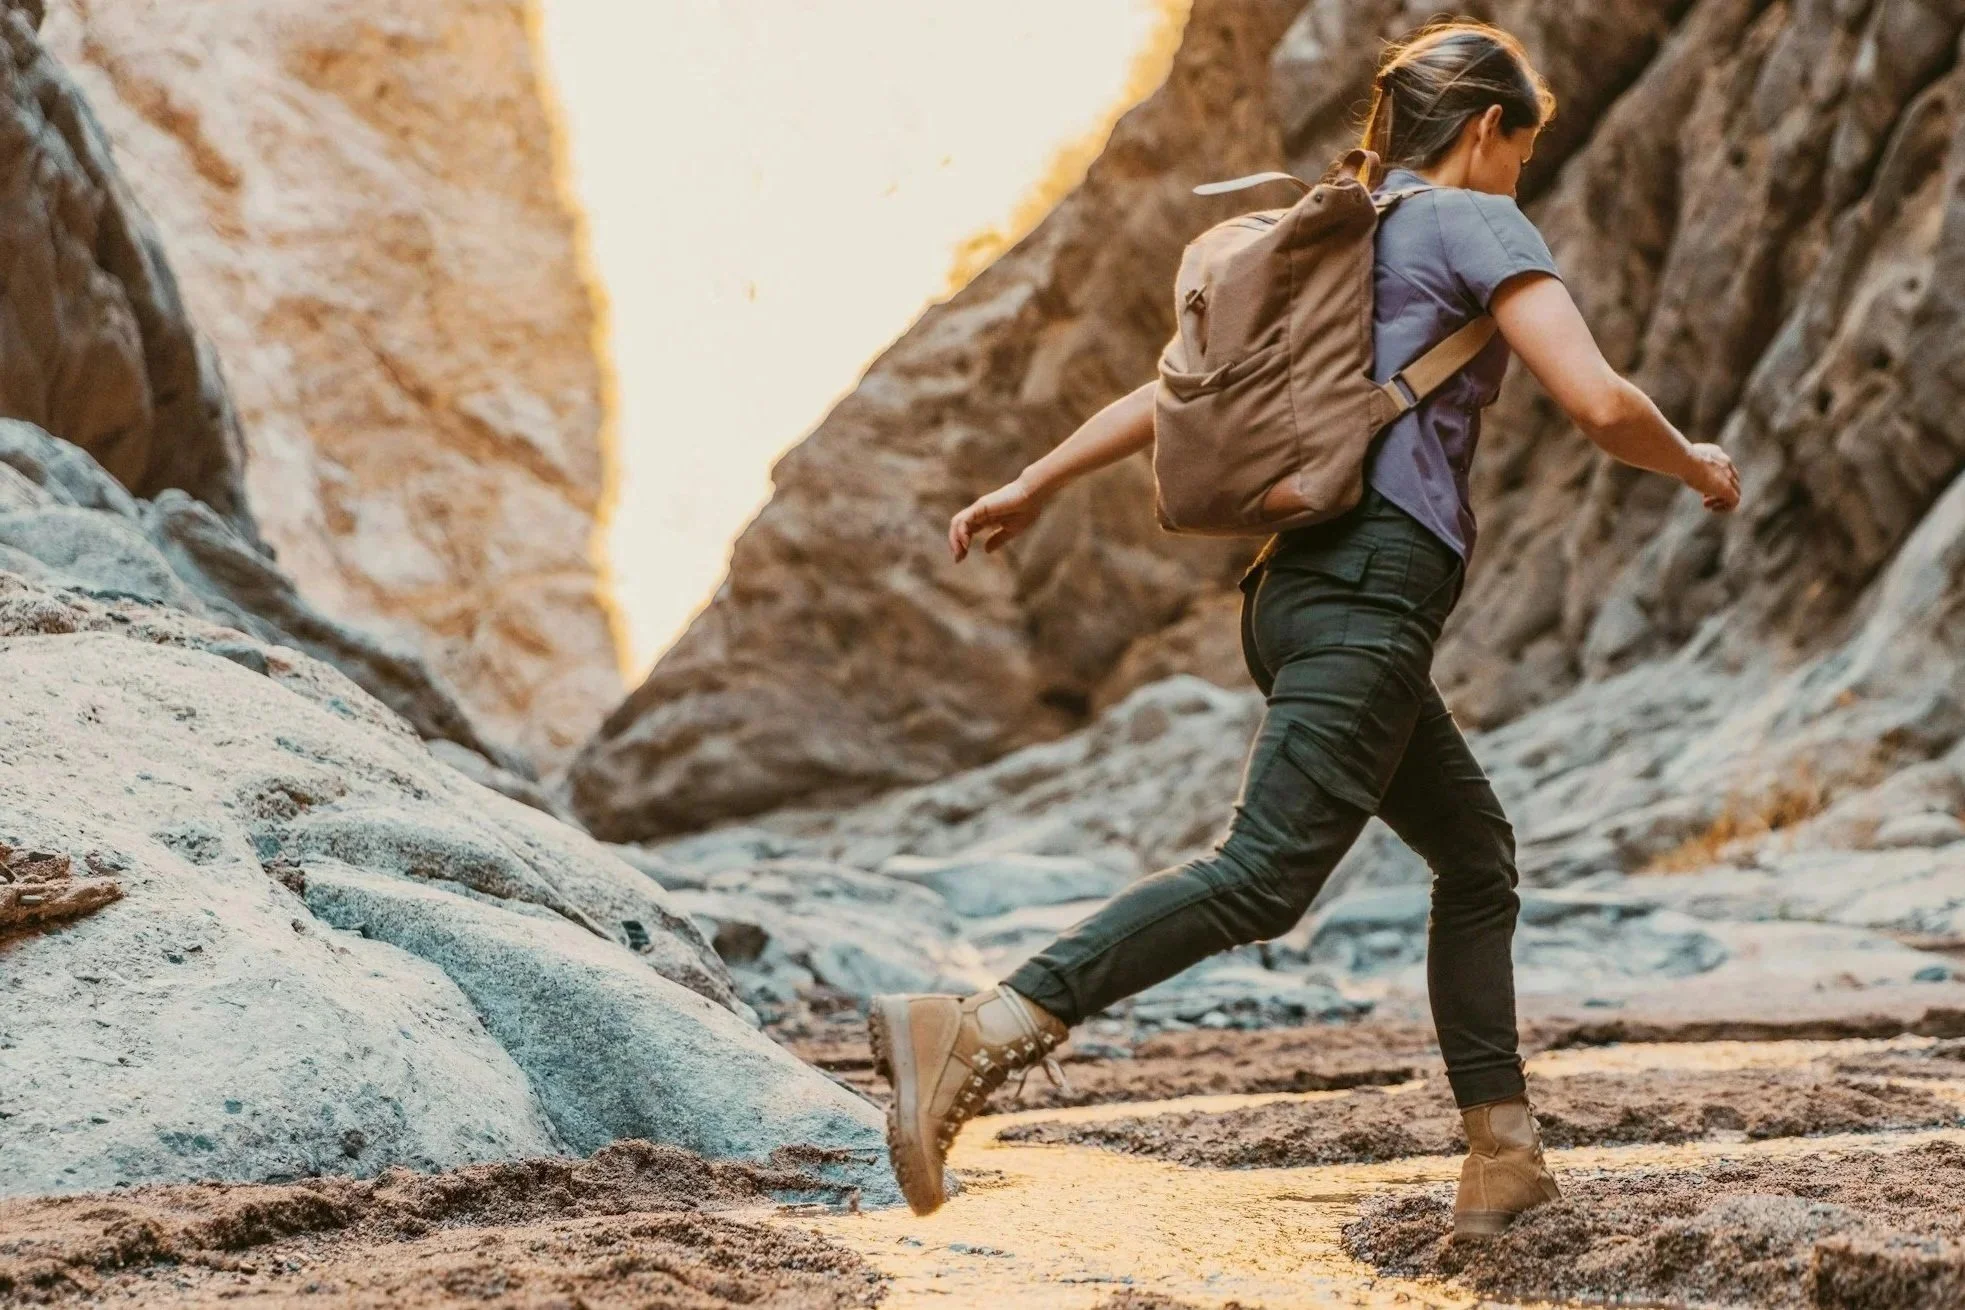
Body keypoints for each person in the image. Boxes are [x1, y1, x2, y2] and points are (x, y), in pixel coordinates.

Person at [869, 19, 1741, 1236]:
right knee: (1265, 877)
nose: (1519, 181)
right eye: (1521, 156)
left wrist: (1037, 479)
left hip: (1290, 593)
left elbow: (1175, 389)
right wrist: (1693, 461)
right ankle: (982, 1025)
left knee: (1476, 855)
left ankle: (1504, 1156)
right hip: (1369, 590)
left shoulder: (1332, 235)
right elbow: (1597, 401)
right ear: (1488, 131)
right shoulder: (1475, 222)